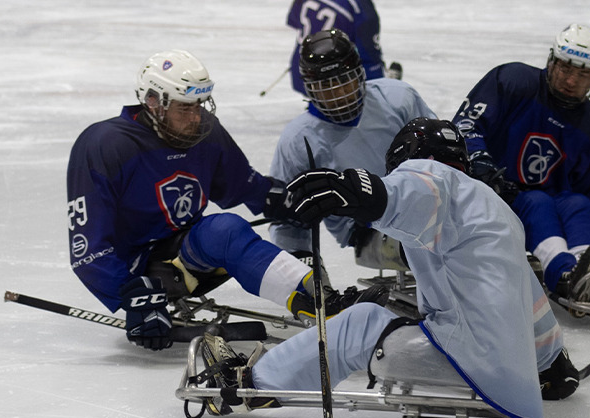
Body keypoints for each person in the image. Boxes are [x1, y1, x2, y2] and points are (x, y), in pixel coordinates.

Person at [199, 119, 579, 418]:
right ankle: (546, 365)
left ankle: (248, 385)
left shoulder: (438, 180)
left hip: (468, 367)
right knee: (391, 320)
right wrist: (550, 363)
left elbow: (410, 190)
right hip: (513, 382)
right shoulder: (497, 212)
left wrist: (350, 190)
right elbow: (526, 295)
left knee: (362, 323)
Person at [66, 49, 386, 352]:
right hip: (137, 271)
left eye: (201, 104)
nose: (196, 117)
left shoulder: (204, 131)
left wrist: (287, 201)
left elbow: (243, 185)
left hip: (187, 255)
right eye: (185, 108)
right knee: (223, 230)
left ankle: (322, 302)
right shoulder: (104, 145)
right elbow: (88, 249)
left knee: (224, 230)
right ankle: (319, 303)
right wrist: (131, 296)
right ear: (153, 102)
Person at [452, 24, 590, 303]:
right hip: (493, 196)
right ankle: (564, 277)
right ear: (551, 61)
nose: (571, 80)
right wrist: (480, 162)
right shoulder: (514, 81)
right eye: (566, 68)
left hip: (547, 202)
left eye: (583, 73)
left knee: (579, 204)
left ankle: (589, 271)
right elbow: (465, 125)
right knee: (537, 201)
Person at [269, 29, 435, 269]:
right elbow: (288, 218)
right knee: (436, 245)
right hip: (369, 233)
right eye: (326, 87)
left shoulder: (399, 98)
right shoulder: (298, 140)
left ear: (360, 74)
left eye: (345, 81)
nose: (339, 94)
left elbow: (442, 158)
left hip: (422, 205)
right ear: (310, 89)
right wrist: (302, 273)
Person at [286, 0, 399, 97]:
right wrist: (382, 90)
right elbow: (369, 58)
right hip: (337, 86)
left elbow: (294, 21)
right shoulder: (360, 9)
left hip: (302, 73)